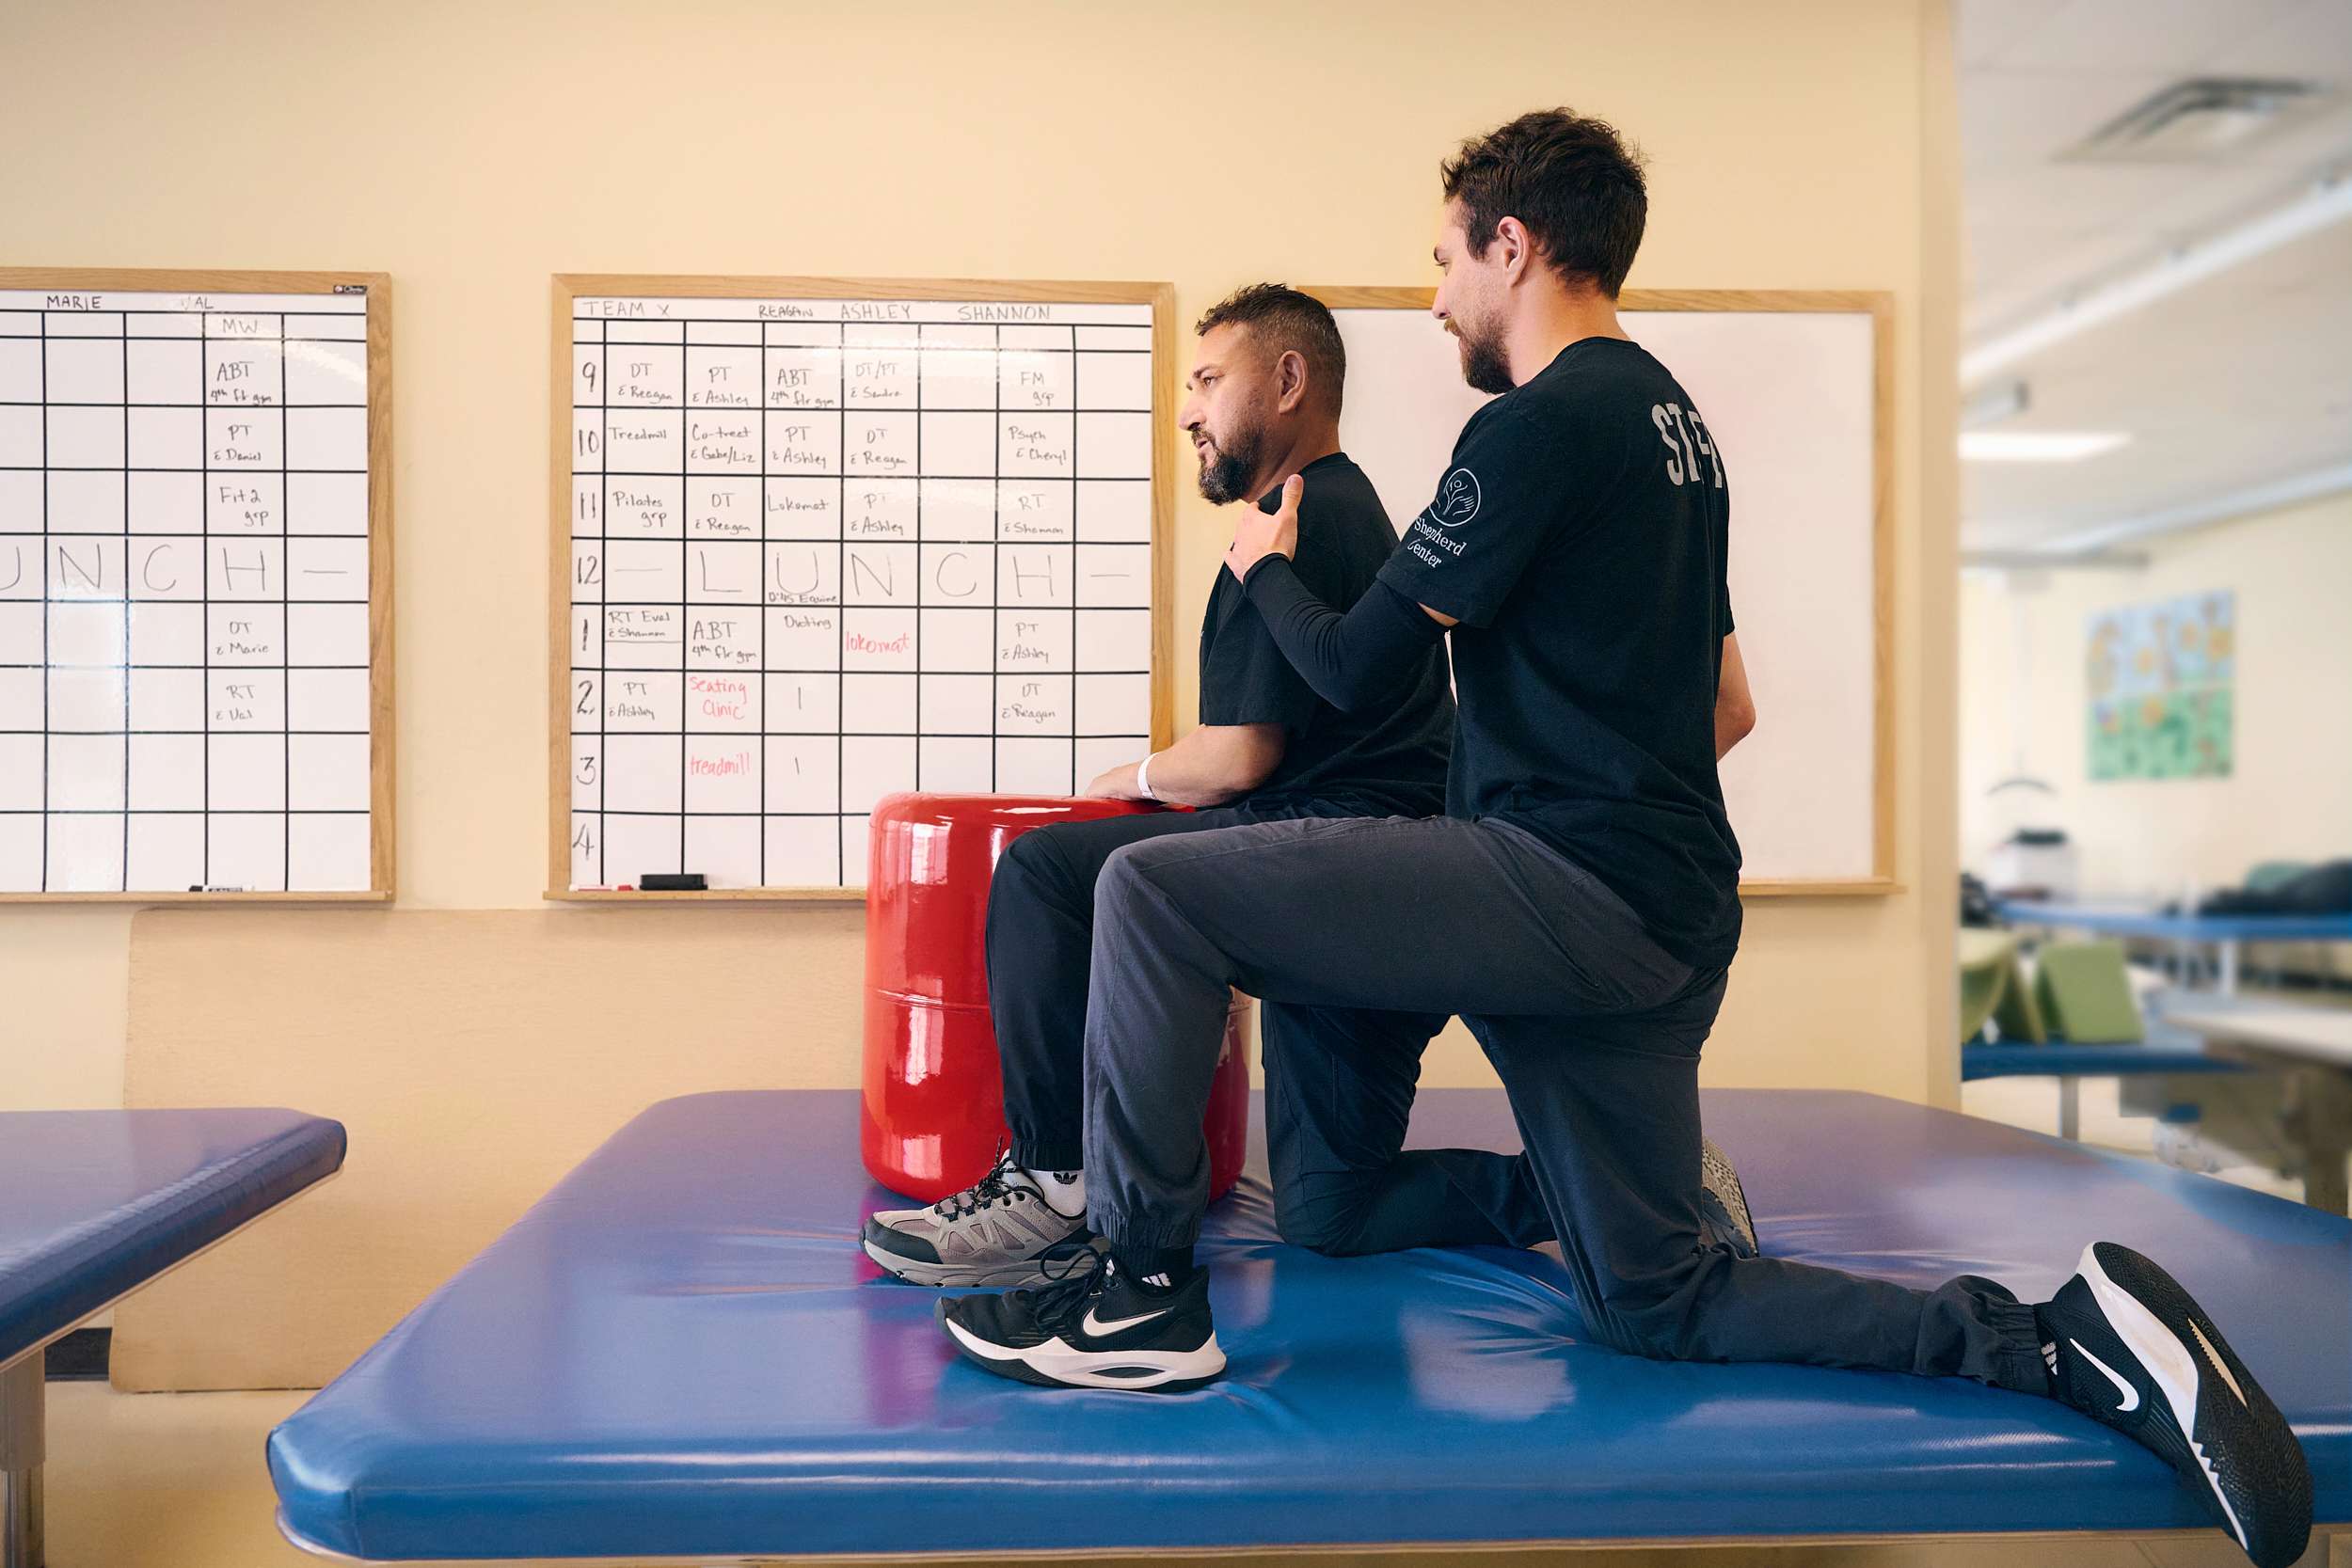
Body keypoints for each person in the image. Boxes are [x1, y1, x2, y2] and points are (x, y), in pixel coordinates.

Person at [934, 112, 2311, 1568]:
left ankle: (1140, 1294)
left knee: (1150, 889)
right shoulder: (1678, 428)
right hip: (1660, 914)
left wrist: (1272, 575)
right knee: (1659, 1298)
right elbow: (1726, 702)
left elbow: (1345, 670)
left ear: (1511, 246)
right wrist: (1567, 787)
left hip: (1562, 885)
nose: (1437, 299)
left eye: (1447, 262)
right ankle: (2056, 1337)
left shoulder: (1536, 423)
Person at [863, 282, 1760, 1292]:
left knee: (1046, 871)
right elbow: (1725, 707)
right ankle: (1647, 1192)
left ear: (1288, 381)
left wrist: (1122, 778)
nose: (1188, 410)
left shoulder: (1292, 521)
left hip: (1379, 865)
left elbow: (1237, 757)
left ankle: (1058, 1182)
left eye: (1207, 380)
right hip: (1421, 870)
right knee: (1333, 1205)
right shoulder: (1367, 504)